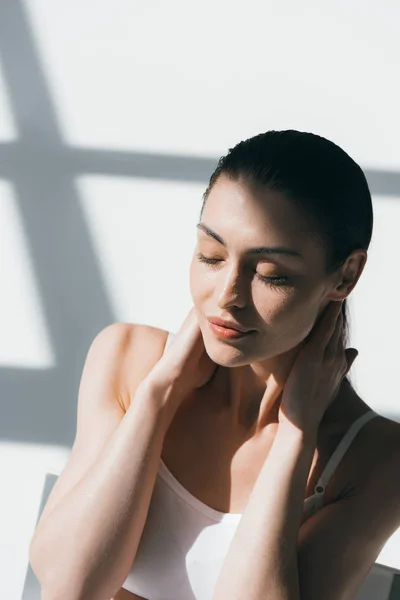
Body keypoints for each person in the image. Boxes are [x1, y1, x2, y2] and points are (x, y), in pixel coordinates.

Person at [29, 130, 400, 600]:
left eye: (271, 275)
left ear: (345, 274)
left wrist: (295, 434)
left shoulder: (376, 459)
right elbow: (69, 587)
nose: (227, 296)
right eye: (212, 255)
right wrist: (160, 392)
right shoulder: (126, 361)